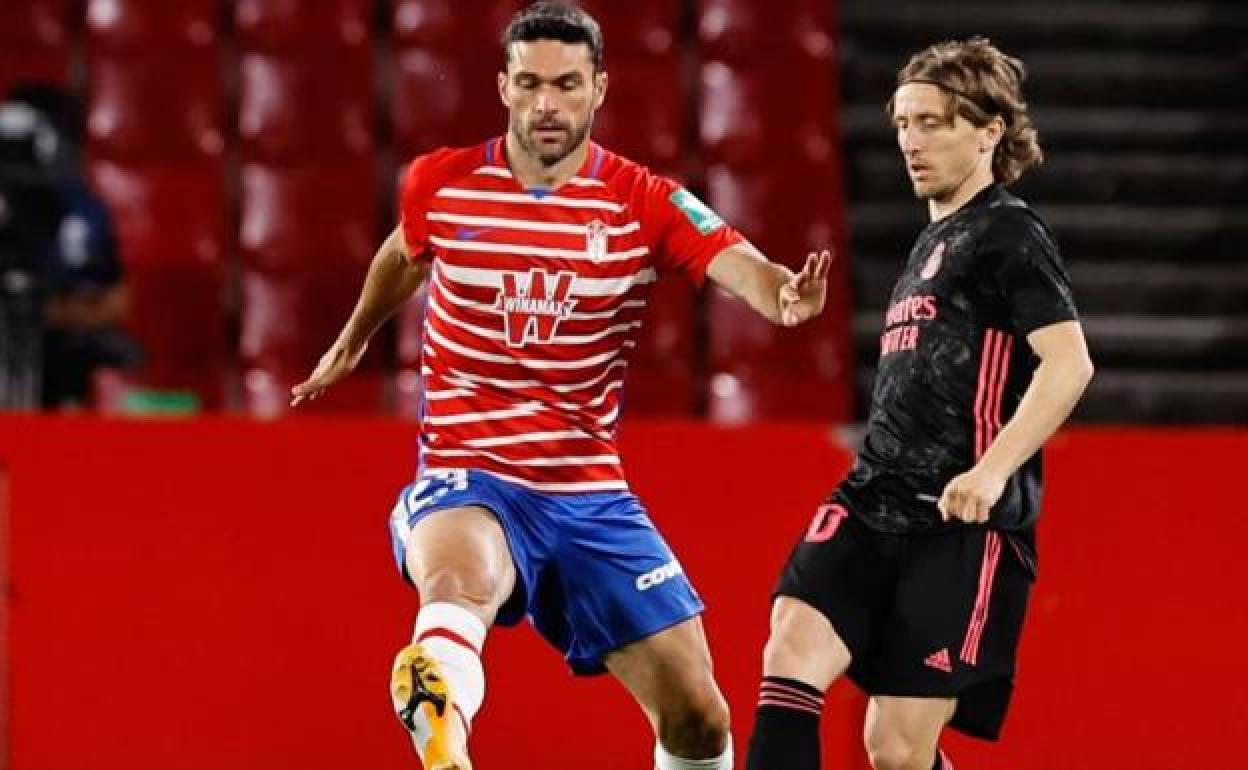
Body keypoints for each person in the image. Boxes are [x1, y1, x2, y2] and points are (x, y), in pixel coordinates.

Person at [291, 4, 831, 769]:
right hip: (468, 470)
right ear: (504, 86)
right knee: (462, 578)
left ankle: (442, 686)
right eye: (532, 83)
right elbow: (404, 254)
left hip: (588, 492)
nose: (549, 103)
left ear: (599, 89)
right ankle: (439, 705)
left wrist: (778, 293)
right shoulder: (443, 183)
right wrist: (354, 339)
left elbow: (731, 255)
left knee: (699, 718)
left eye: (568, 84)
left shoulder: (642, 200)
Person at [744, 37, 1094, 770]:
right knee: (790, 650)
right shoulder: (932, 240)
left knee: (895, 751)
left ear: (989, 132)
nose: (910, 141)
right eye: (903, 123)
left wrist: (992, 471)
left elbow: (1068, 364)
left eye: (933, 122)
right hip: (873, 495)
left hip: (958, 520)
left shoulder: (1009, 232)